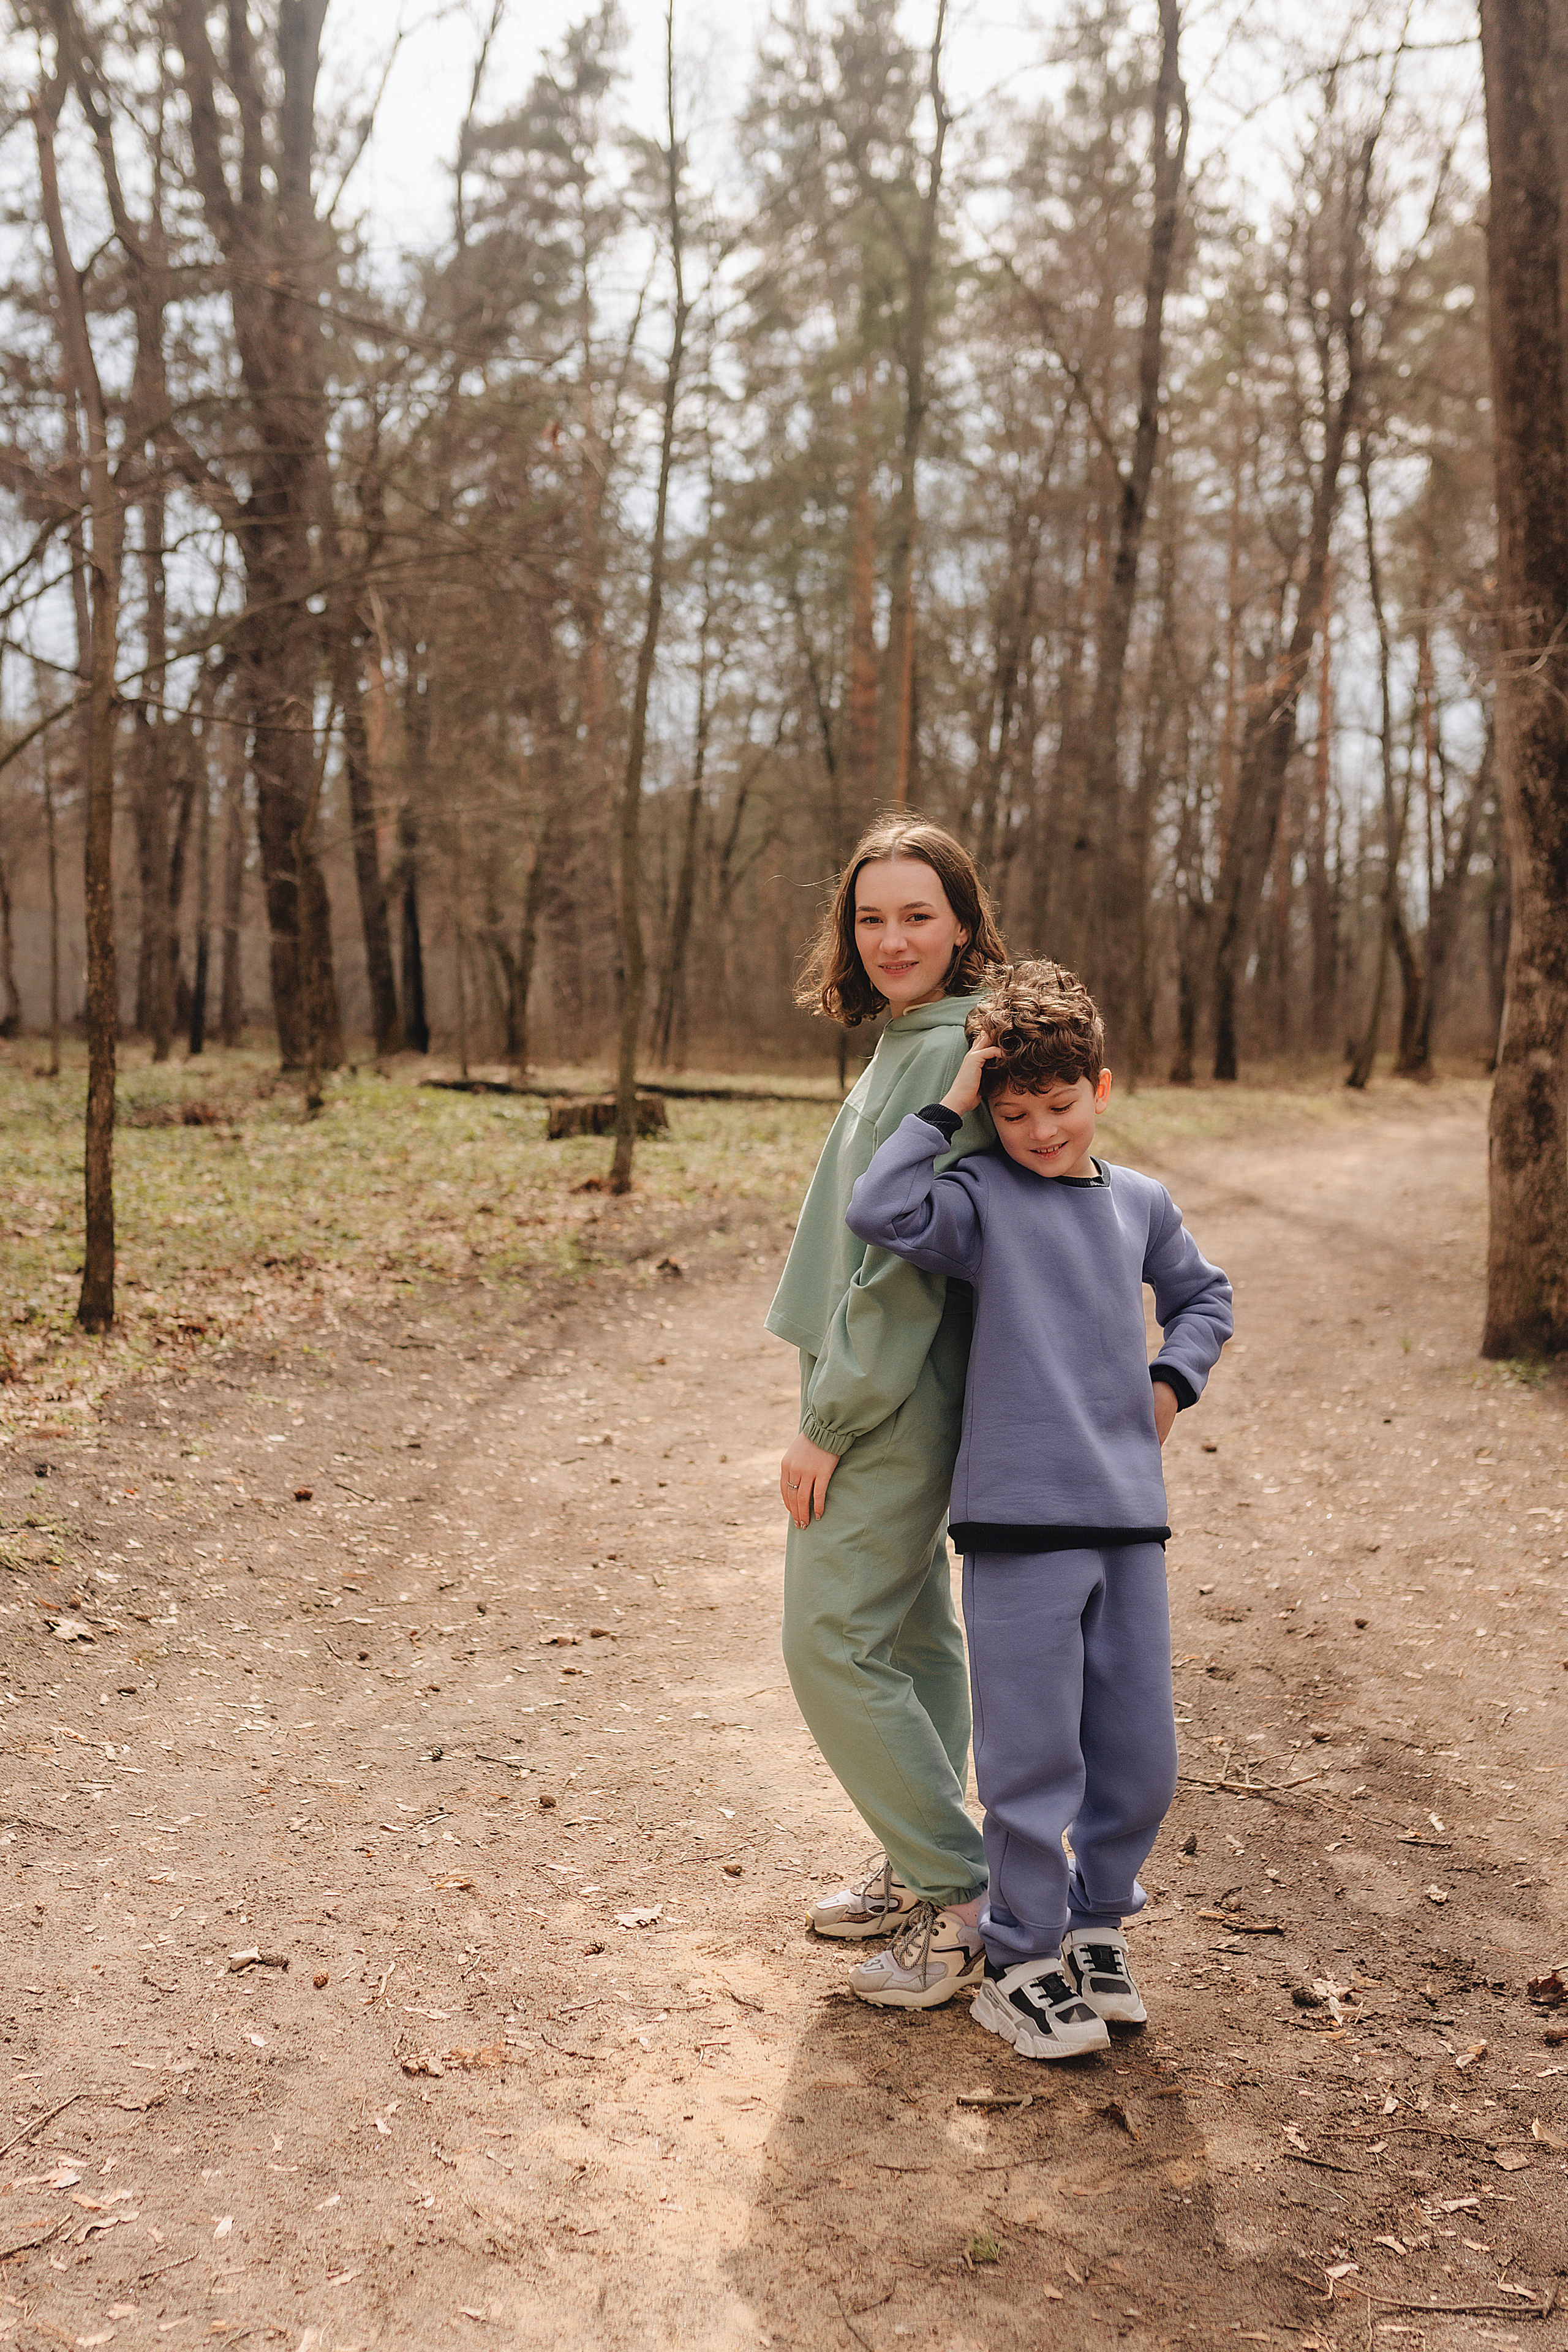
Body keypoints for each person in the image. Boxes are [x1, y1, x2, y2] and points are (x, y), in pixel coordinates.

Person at [844, 960, 1233, 2058]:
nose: (1041, 1132)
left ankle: (1097, 1922)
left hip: (1125, 1516)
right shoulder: (979, 1201)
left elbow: (1207, 1295)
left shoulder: (1141, 1203)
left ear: (1100, 1089)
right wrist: (955, 1099)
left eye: (1060, 1108)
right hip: (1016, 1523)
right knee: (1030, 1756)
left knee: (1139, 1752)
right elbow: (882, 1205)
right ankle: (1019, 1954)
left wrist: (1170, 1383)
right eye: (1015, 1114)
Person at [766, 816, 1008, 2010]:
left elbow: (902, 1271)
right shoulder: (909, 1040)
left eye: (917, 915)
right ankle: (925, 1863)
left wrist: (830, 1416)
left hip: (888, 1394)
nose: (891, 937)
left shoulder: (944, 1051)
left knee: (824, 1640)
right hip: (870, 1381)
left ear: (961, 922)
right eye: (871, 917)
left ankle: (958, 1896)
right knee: (912, 1638)